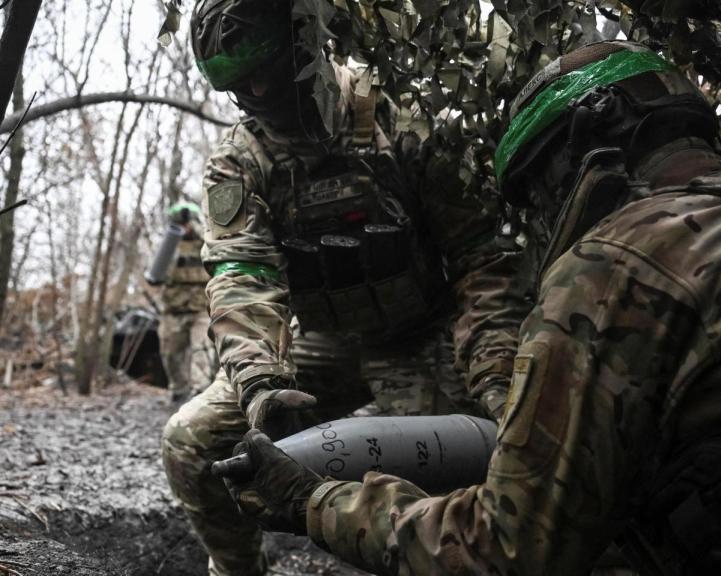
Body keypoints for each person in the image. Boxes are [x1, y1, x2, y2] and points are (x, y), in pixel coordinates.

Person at [220, 41, 721, 576]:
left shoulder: (613, 262)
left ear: (585, 153)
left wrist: (310, 500)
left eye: (538, 188)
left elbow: (507, 549)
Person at [161, 1, 528, 574]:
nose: (257, 90)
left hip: (424, 337)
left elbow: (482, 256)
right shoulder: (241, 162)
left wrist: (496, 371)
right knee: (192, 440)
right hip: (321, 347)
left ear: (306, 43)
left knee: (494, 459)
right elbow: (241, 279)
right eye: (236, 83)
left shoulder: (402, 118)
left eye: (268, 66)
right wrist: (261, 384)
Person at [153, 200, 215, 405]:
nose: (184, 227)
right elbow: (155, 276)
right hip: (174, 310)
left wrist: (199, 231)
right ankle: (179, 390)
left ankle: (200, 395)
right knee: (170, 355)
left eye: (187, 222)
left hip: (201, 310)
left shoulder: (208, 244)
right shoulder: (168, 246)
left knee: (202, 352)